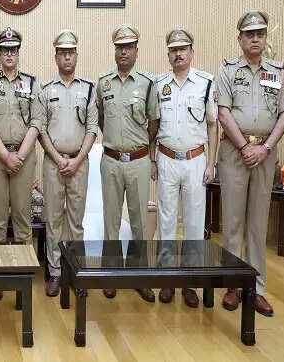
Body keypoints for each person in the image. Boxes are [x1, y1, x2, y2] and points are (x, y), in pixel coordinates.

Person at [216, 10, 284, 317]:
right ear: (240, 39)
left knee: (258, 224)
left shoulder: (278, 71)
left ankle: (257, 289)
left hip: (265, 154)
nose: (256, 39)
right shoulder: (227, 70)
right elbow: (223, 113)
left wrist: (265, 148)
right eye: (250, 34)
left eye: (260, 33)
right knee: (233, 223)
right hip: (235, 152)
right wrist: (246, 146)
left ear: (265, 37)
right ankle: (233, 285)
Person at [152, 29, 218, 307]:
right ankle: (167, 279)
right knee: (166, 221)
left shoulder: (205, 83)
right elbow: (153, 125)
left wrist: (211, 163)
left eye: (183, 49)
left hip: (195, 160)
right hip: (166, 158)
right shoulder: (158, 84)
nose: (178, 54)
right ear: (168, 53)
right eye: (173, 49)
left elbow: (213, 125)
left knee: (193, 223)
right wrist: (153, 159)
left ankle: (190, 281)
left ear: (192, 51)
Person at [96, 24, 159, 302]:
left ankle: (139, 276)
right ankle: (110, 275)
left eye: (129, 47)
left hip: (138, 161)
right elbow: (101, 120)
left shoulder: (147, 83)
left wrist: (138, 144)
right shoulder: (103, 83)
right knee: (110, 221)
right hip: (110, 160)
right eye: (119, 47)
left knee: (139, 223)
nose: (124, 52)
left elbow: (154, 122)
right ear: (115, 50)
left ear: (136, 50)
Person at [0, 27, 42, 301]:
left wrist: (20, 156)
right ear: (0, 52)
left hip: (23, 157)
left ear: (18, 52)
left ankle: (21, 280)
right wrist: (6, 156)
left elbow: (37, 122)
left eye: (13, 49)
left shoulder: (31, 83)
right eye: (5, 49)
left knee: (23, 220)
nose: (9, 54)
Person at [38, 29, 97, 297]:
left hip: (79, 163)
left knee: (75, 222)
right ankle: (55, 272)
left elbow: (92, 129)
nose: (67, 58)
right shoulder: (45, 90)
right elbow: (40, 129)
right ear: (56, 57)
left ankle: (74, 271)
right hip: (53, 163)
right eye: (62, 53)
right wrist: (59, 158)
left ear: (76, 55)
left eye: (71, 53)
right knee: (53, 220)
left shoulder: (89, 89)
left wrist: (76, 160)